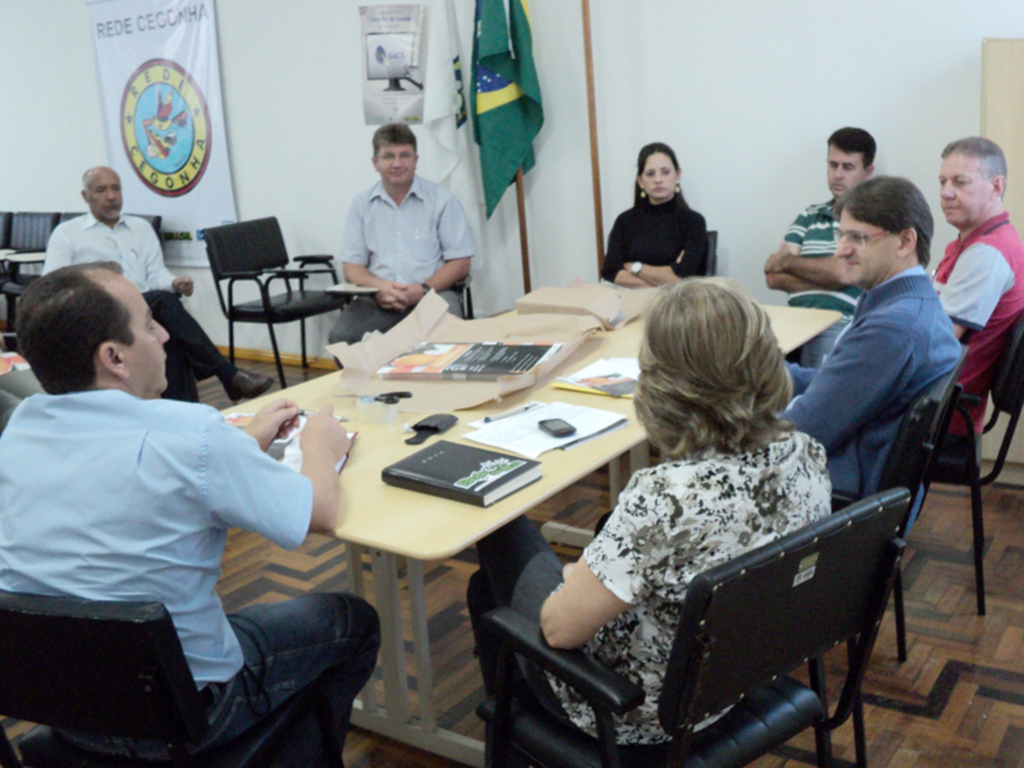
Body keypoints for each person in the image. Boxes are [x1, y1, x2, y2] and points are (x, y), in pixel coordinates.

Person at [0, 263, 380, 765]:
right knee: (351, 621)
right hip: (185, 714)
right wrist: (318, 446)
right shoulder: (194, 432)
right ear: (114, 357)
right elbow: (321, 510)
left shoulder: (19, 429)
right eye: (147, 324)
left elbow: (130, 478)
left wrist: (243, 444)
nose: (163, 334)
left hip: (68, 711)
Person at [467, 278, 832, 746]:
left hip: (632, 713)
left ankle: (513, 738)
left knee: (499, 526)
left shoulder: (663, 499)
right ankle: (514, 730)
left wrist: (578, 577)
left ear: (663, 381)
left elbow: (558, 630)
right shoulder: (805, 455)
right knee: (489, 588)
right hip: (733, 679)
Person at [784, 176, 961, 500]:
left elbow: (805, 429)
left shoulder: (893, 328)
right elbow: (836, 383)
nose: (841, 249)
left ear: (905, 242)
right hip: (851, 469)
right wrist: (769, 373)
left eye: (857, 237)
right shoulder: (905, 302)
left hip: (840, 489)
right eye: (841, 235)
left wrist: (732, 419)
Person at [44, 166, 274, 402]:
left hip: (144, 309)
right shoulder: (67, 234)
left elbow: (156, 273)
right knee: (164, 304)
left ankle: (187, 408)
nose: (111, 196)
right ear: (86, 196)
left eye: (116, 188)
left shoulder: (140, 228)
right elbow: (52, 286)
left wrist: (174, 282)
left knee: (168, 330)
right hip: (102, 313)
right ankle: (226, 375)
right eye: (101, 190)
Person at [327, 123, 475, 346]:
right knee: (342, 339)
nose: (397, 163)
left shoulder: (442, 200)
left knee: (447, 340)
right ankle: (372, 383)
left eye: (404, 155)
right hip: (378, 298)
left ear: (416, 160)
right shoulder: (361, 204)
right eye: (388, 156)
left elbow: (461, 262)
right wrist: (379, 288)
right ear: (375, 163)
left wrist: (422, 290)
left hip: (433, 295)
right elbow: (352, 267)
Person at [934, 137, 1024, 436]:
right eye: (943, 181)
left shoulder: (988, 254)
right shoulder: (972, 243)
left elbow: (936, 344)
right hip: (935, 400)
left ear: (996, 187)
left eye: (960, 182)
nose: (946, 193)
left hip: (936, 412)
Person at [765, 127, 876, 367]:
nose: (838, 174)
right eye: (832, 165)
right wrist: (831, 280)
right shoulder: (809, 215)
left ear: (868, 172)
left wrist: (788, 262)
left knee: (815, 391)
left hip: (838, 323)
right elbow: (773, 277)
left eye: (848, 167)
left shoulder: (872, 220)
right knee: (750, 363)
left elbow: (841, 271)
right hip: (795, 320)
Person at [600, 142, 708, 286]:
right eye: (650, 174)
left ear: (677, 175)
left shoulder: (694, 222)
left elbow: (683, 277)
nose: (658, 180)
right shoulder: (624, 221)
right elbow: (610, 272)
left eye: (665, 172)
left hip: (676, 305)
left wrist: (634, 267)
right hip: (628, 300)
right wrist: (662, 282)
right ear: (640, 181)